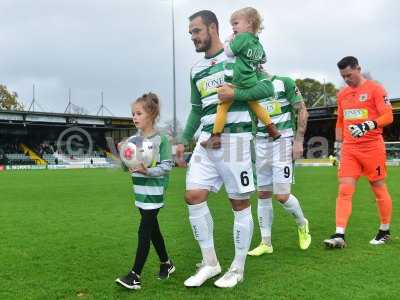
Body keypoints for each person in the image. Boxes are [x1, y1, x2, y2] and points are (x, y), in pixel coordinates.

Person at [176, 10, 262, 288]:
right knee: (193, 195)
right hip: (205, 142)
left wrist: (236, 94)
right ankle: (211, 263)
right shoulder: (196, 70)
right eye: (190, 33)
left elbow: (265, 90)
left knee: (239, 203)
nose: (193, 37)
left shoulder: (237, 56)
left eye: (196, 31)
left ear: (212, 28)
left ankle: (237, 268)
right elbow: (195, 109)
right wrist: (182, 139)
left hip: (234, 140)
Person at [218, 73, 311, 255]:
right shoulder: (246, 89)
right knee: (263, 194)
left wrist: (299, 141)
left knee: (282, 196)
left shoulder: (283, 82)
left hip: (283, 140)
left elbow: (302, 110)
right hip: (260, 142)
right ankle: (266, 243)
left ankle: (302, 223)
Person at [323, 56, 393, 248]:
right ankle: (339, 235)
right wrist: (337, 147)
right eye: (343, 76)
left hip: (372, 147)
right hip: (350, 149)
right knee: (344, 190)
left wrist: (369, 124)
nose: (347, 79)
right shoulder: (343, 94)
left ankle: (384, 230)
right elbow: (340, 121)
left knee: (378, 187)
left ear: (358, 69)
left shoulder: (375, 89)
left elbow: (388, 116)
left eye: (349, 75)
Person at [116, 93, 175, 290]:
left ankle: (135, 276)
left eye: (138, 113)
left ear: (151, 114)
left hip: (154, 192)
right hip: (139, 192)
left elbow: (168, 166)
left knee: (144, 231)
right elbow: (127, 169)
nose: (134, 117)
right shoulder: (133, 140)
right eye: (133, 113)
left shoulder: (162, 139)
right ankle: (167, 263)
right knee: (153, 231)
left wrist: (147, 171)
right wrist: (122, 154)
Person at [200, 7, 279, 149]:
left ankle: (215, 137)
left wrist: (228, 40)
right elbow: (264, 59)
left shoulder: (242, 38)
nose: (233, 27)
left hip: (237, 81)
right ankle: (272, 128)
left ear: (249, 23)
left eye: (236, 23)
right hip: (251, 80)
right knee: (255, 105)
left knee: (222, 106)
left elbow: (229, 52)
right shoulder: (257, 42)